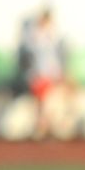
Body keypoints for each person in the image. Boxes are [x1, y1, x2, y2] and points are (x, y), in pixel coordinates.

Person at [21, 9, 72, 139]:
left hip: (52, 75)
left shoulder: (54, 37)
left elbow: (60, 57)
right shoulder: (33, 38)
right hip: (40, 75)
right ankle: (43, 126)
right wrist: (35, 75)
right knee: (42, 101)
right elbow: (31, 60)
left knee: (59, 98)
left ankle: (52, 125)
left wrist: (61, 73)